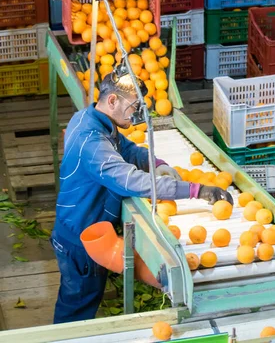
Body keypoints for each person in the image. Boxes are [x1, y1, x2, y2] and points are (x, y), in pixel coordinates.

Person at [52, 73, 232, 323]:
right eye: (133, 107)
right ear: (113, 100)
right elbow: (130, 181)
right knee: (78, 304)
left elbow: (127, 149)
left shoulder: (91, 118)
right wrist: (195, 190)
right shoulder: (91, 141)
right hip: (80, 238)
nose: (135, 115)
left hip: (84, 224)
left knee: (84, 296)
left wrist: (156, 163)